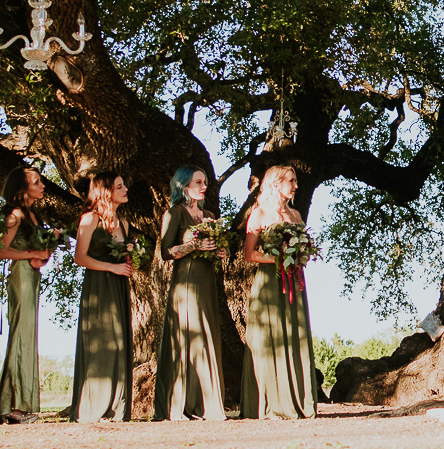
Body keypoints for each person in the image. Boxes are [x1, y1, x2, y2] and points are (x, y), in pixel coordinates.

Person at [242, 163, 321, 418]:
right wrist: (278, 258)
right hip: (269, 283)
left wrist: (301, 254)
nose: (296, 186)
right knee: (271, 337)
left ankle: (298, 399)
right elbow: (249, 254)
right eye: (292, 181)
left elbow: (302, 247)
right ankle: (270, 402)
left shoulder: (296, 216)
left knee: (295, 333)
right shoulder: (259, 214)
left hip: (295, 282)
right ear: (276, 184)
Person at [154, 165, 228, 421]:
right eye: (198, 182)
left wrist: (220, 251)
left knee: (206, 335)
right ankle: (179, 404)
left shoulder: (209, 214)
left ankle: (207, 404)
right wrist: (193, 245)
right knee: (186, 336)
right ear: (183, 186)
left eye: (205, 181)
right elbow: (165, 252)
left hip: (206, 281)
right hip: (185, 284)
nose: (204, 186)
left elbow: (217, 246)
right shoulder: (174, 213)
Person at [71, 172, 136, 422]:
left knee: (119, 340)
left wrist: (129, 261)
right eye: (120, 186)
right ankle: (93, 406)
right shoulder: (89, 219)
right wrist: (112, 267)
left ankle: (116, 407)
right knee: (100, 340)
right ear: (105, 192)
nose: (125, 189)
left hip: (119, 286)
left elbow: (121, 257)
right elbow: (80, 257)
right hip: (98, 286)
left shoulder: (125, 224)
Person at [0, 164, 53, 424]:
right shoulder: (15, 214)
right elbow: (1, 250)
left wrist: (42, 257)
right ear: (22, 187)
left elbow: (34, 248)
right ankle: (14, 406)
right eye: (37, 182)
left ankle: (14, 405)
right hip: (20, 276)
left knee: (27, 335)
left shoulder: (33, 214)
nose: (42, 185)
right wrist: (31, 255)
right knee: (21, 335)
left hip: (32, 274)